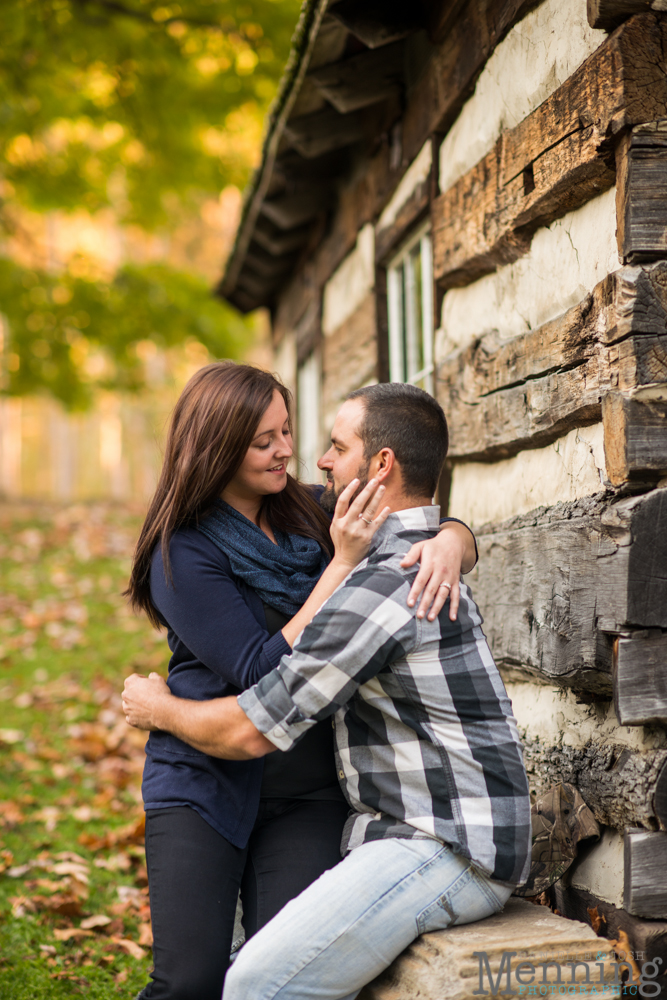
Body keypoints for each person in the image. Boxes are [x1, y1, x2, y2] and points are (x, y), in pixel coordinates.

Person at [123, 381, 532, 1000]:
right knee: (192, 981)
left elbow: (411, 499)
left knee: (262, 974)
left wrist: (453, 538)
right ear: (218, 448)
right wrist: (350, 563)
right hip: (209, 777)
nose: (295, 452)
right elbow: (258, 670)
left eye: (292, 431)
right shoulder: (184, 552)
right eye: (264, 441)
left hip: (307, 785)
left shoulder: (321, 517)